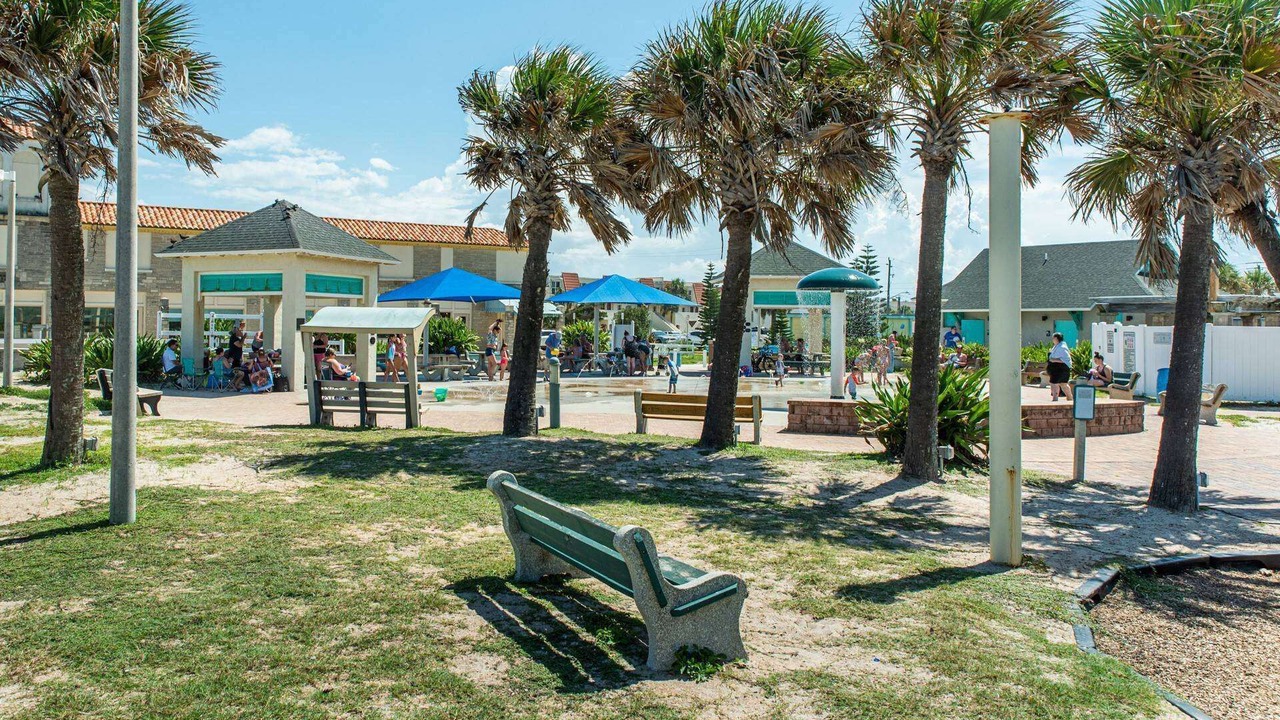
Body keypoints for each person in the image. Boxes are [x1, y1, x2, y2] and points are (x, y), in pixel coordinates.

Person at [1047, 332, 1072, 401]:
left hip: (1060, 369)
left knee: (1055, 383)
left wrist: (1053, 360)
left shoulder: (1062, 347)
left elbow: (1065, 359)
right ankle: (1070, 398)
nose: (1052, 339)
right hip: (1058, 368)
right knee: (1063, 384)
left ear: (1056, 338)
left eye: (1053, 338)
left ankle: (1055, 399)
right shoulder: (1057, 346)